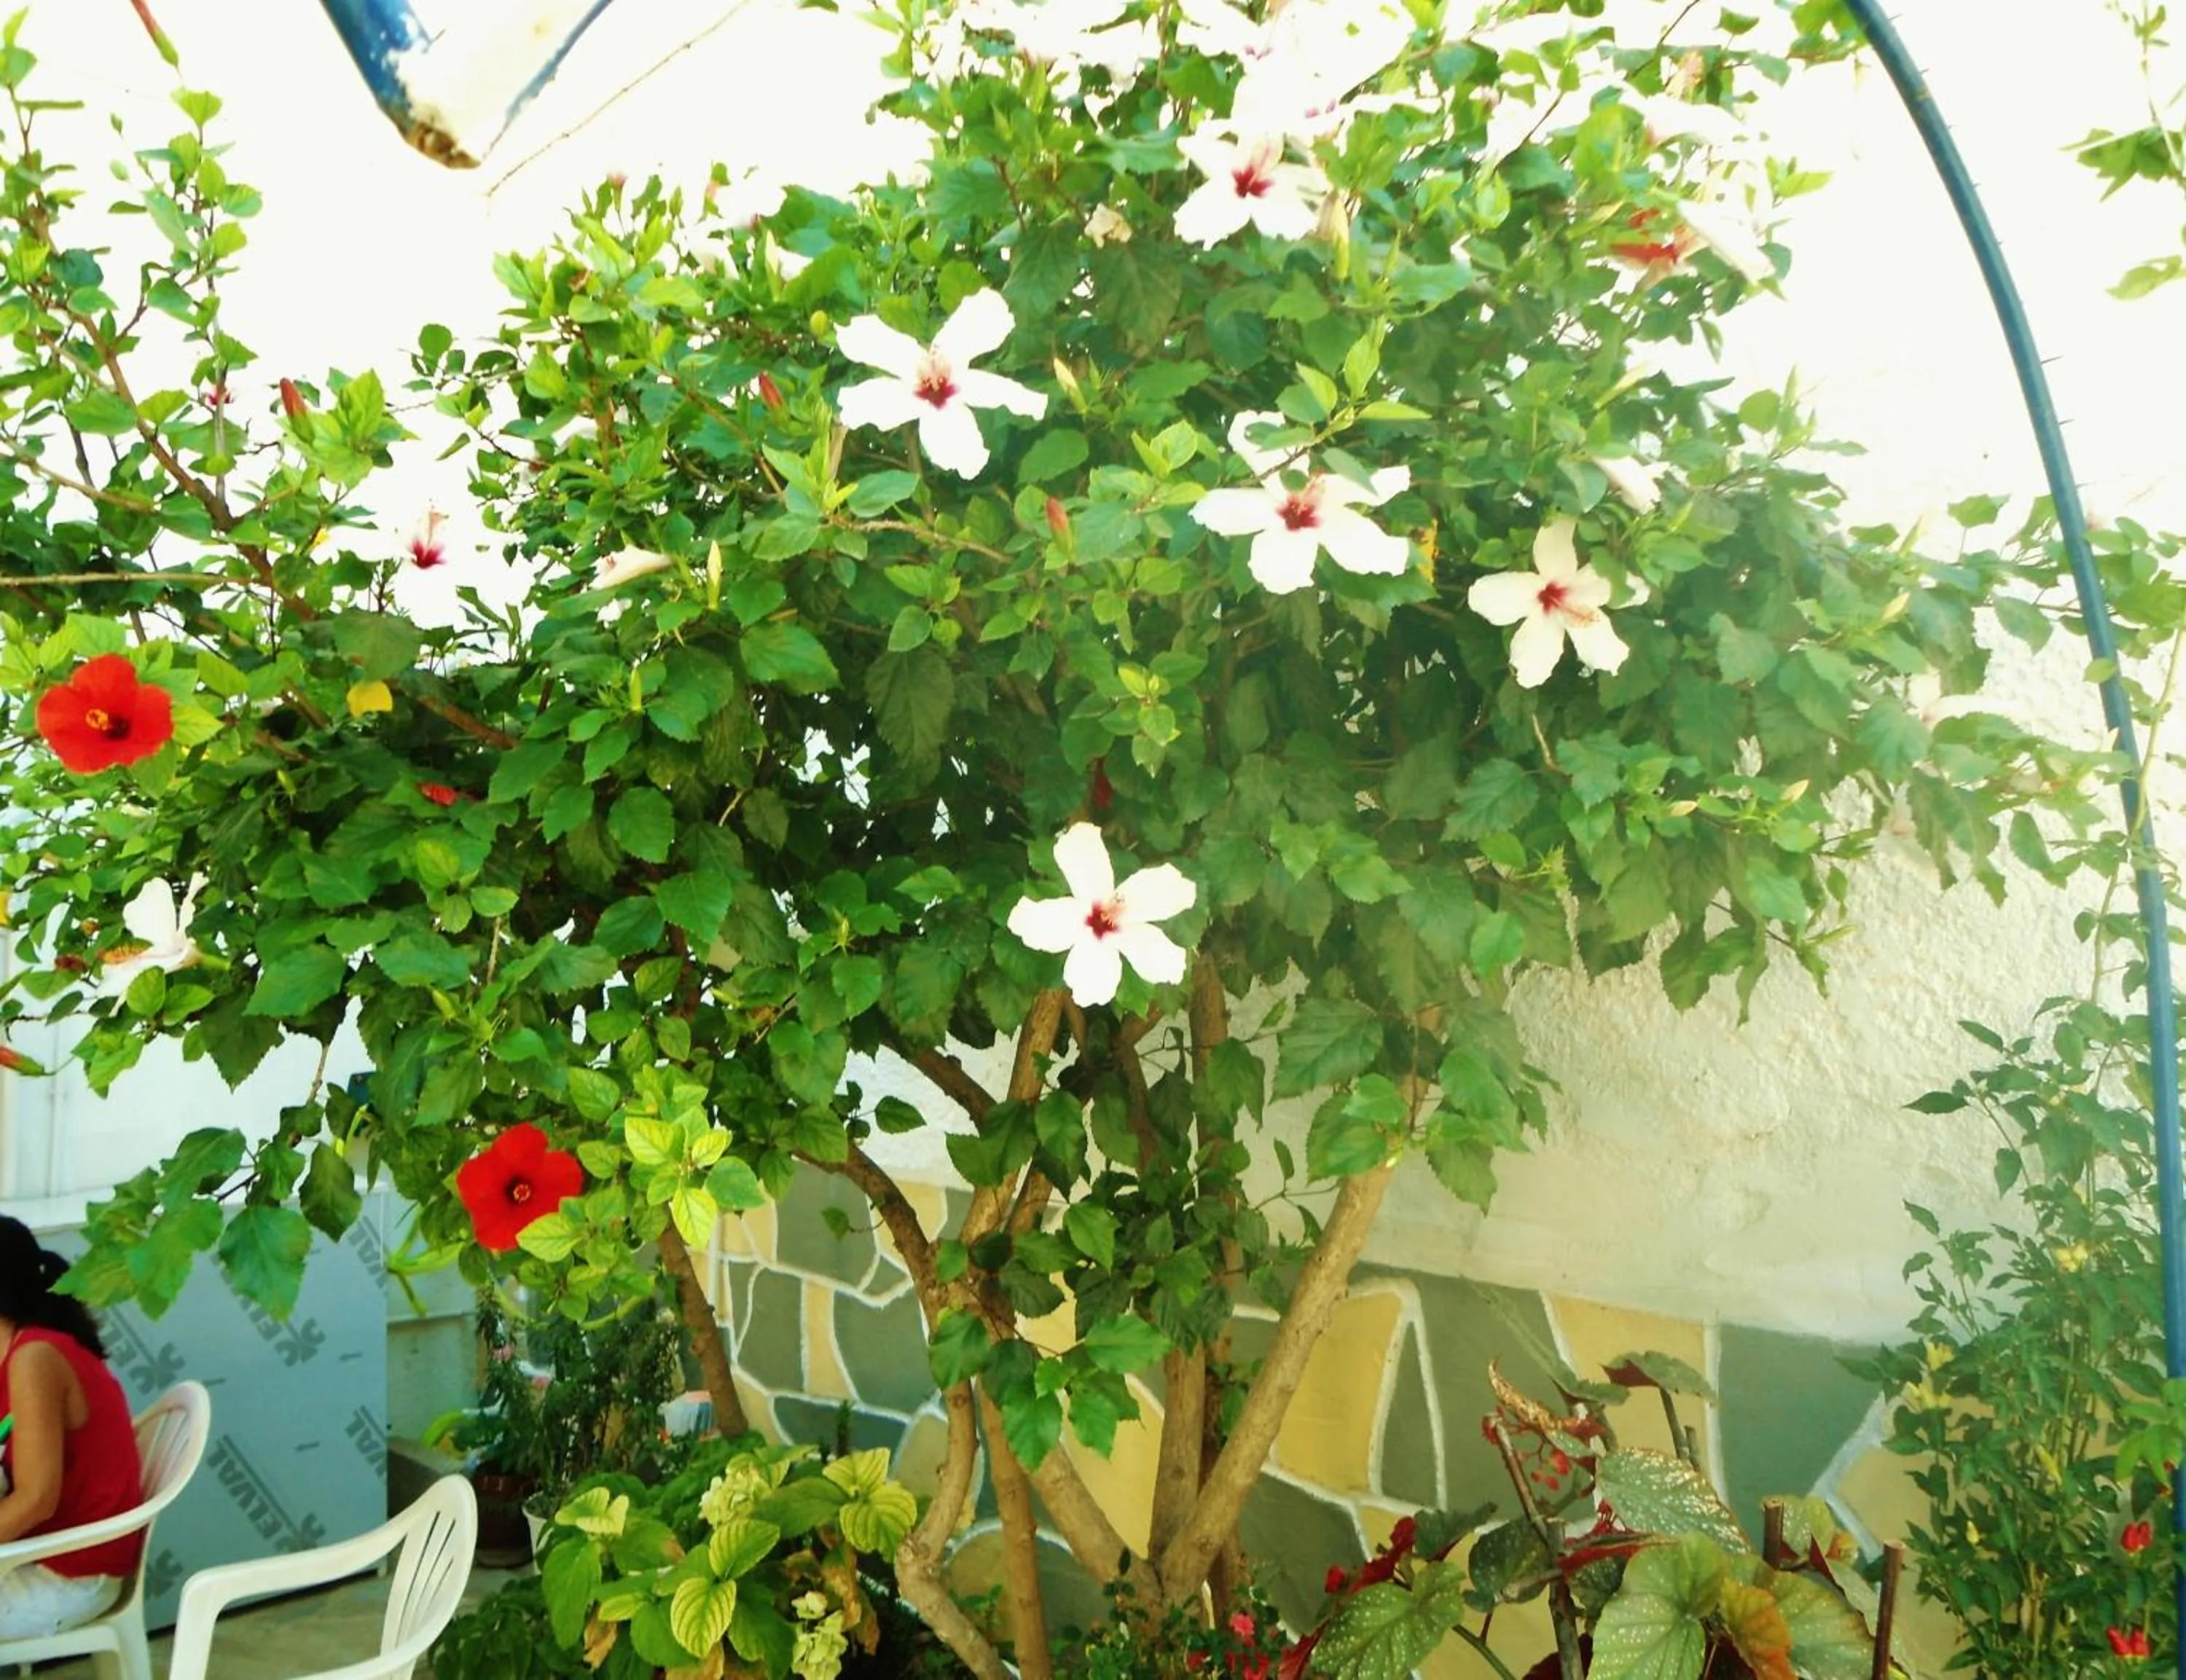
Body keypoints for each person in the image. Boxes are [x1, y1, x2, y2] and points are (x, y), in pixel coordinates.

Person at [0, 1217, 144, 1637]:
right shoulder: (21, 1351)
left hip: (67, 1576)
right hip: (32, 1555)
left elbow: (36, 1499)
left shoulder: (35, 1359)